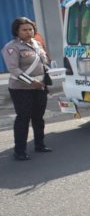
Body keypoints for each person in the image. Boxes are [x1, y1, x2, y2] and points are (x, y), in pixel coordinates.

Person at [1, 17, 52, 161]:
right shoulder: (12, 47)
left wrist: (50, 72)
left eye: (30, 29)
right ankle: (19, 151)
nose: (28, 32)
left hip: (40, 86)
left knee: (38, 117)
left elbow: (44, 62)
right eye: (24, 30)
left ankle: (40, 145)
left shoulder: (37, 44)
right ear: (16, 31)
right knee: (23, 118)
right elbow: (14, 70)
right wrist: (31, 82)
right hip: (21, 88)